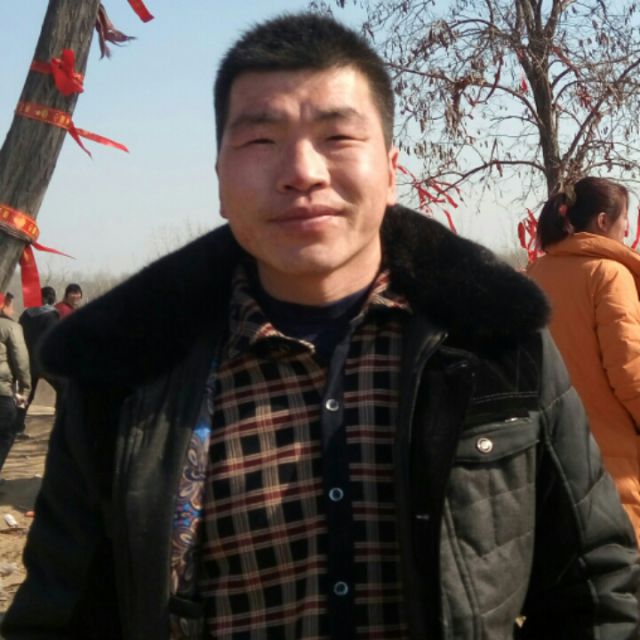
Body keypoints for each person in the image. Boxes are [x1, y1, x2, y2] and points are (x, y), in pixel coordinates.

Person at [3, 13, 638, 640]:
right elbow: (58, 617)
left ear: (391, 171)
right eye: (261, 140)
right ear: (219, 180)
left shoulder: (496, 344)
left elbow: (598, 589)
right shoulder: (122, 376)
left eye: (337, 136)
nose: (302, 171)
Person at [529, 176, 640, 544]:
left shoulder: (536, 273)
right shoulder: (609, 274)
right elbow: (630, 371)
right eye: (625, 220)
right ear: (603, 222)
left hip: (550, 457)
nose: (627, 231)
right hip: (611, 463)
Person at [15, 286, 62, 436]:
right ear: (51, 298)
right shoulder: (52, 315)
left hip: (27, 361)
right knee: (64, 388)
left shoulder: (25, 314)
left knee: (27, 393)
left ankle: (17, 427)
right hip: (45, 362)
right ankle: (60, 424)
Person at [0, 292, 30, 479]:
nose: (13, 310)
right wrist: (24, 389)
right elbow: (21, 360)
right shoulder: (11, 327)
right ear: (3, 307)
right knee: (6, 433)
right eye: (11, 305)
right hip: (2, 391)